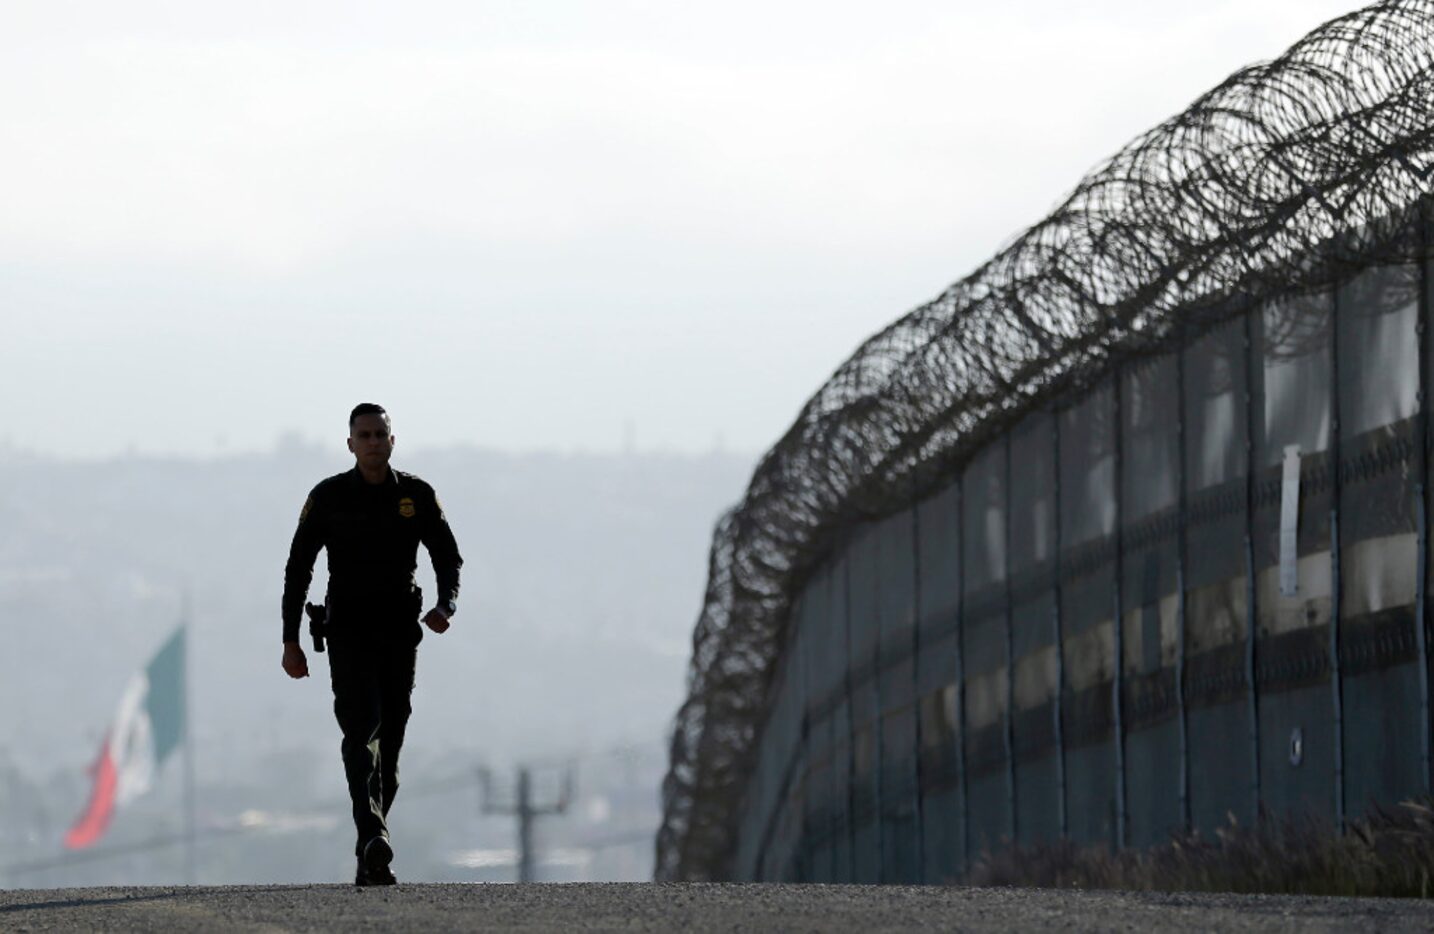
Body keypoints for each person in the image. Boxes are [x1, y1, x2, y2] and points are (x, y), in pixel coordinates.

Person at [280, 403, 463, 886]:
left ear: (392, 440)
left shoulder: (416, 496)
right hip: (348, 633)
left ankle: (368, 848)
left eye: (380, 434)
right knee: (361, 733)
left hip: (400, 633)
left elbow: (447, 556)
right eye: (364, 435)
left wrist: (446, 606)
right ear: (350, 444)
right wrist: (290, 641)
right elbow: (298, 570)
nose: (373, 442)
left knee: (392, 751)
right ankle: (374, 835)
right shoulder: (329, 497)